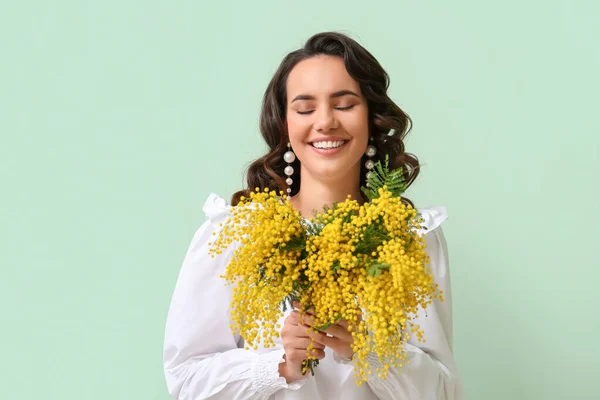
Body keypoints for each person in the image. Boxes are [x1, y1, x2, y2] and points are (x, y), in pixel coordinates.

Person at [163, 31, 463, 400]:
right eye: (305, 108)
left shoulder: (412, 239)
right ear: (285, 124)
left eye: (345, 105)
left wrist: (367, 349)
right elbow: (186, 382)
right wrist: (280, 366)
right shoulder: (236, 233)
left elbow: (442, 392)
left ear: (371, 118)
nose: (325, 122)